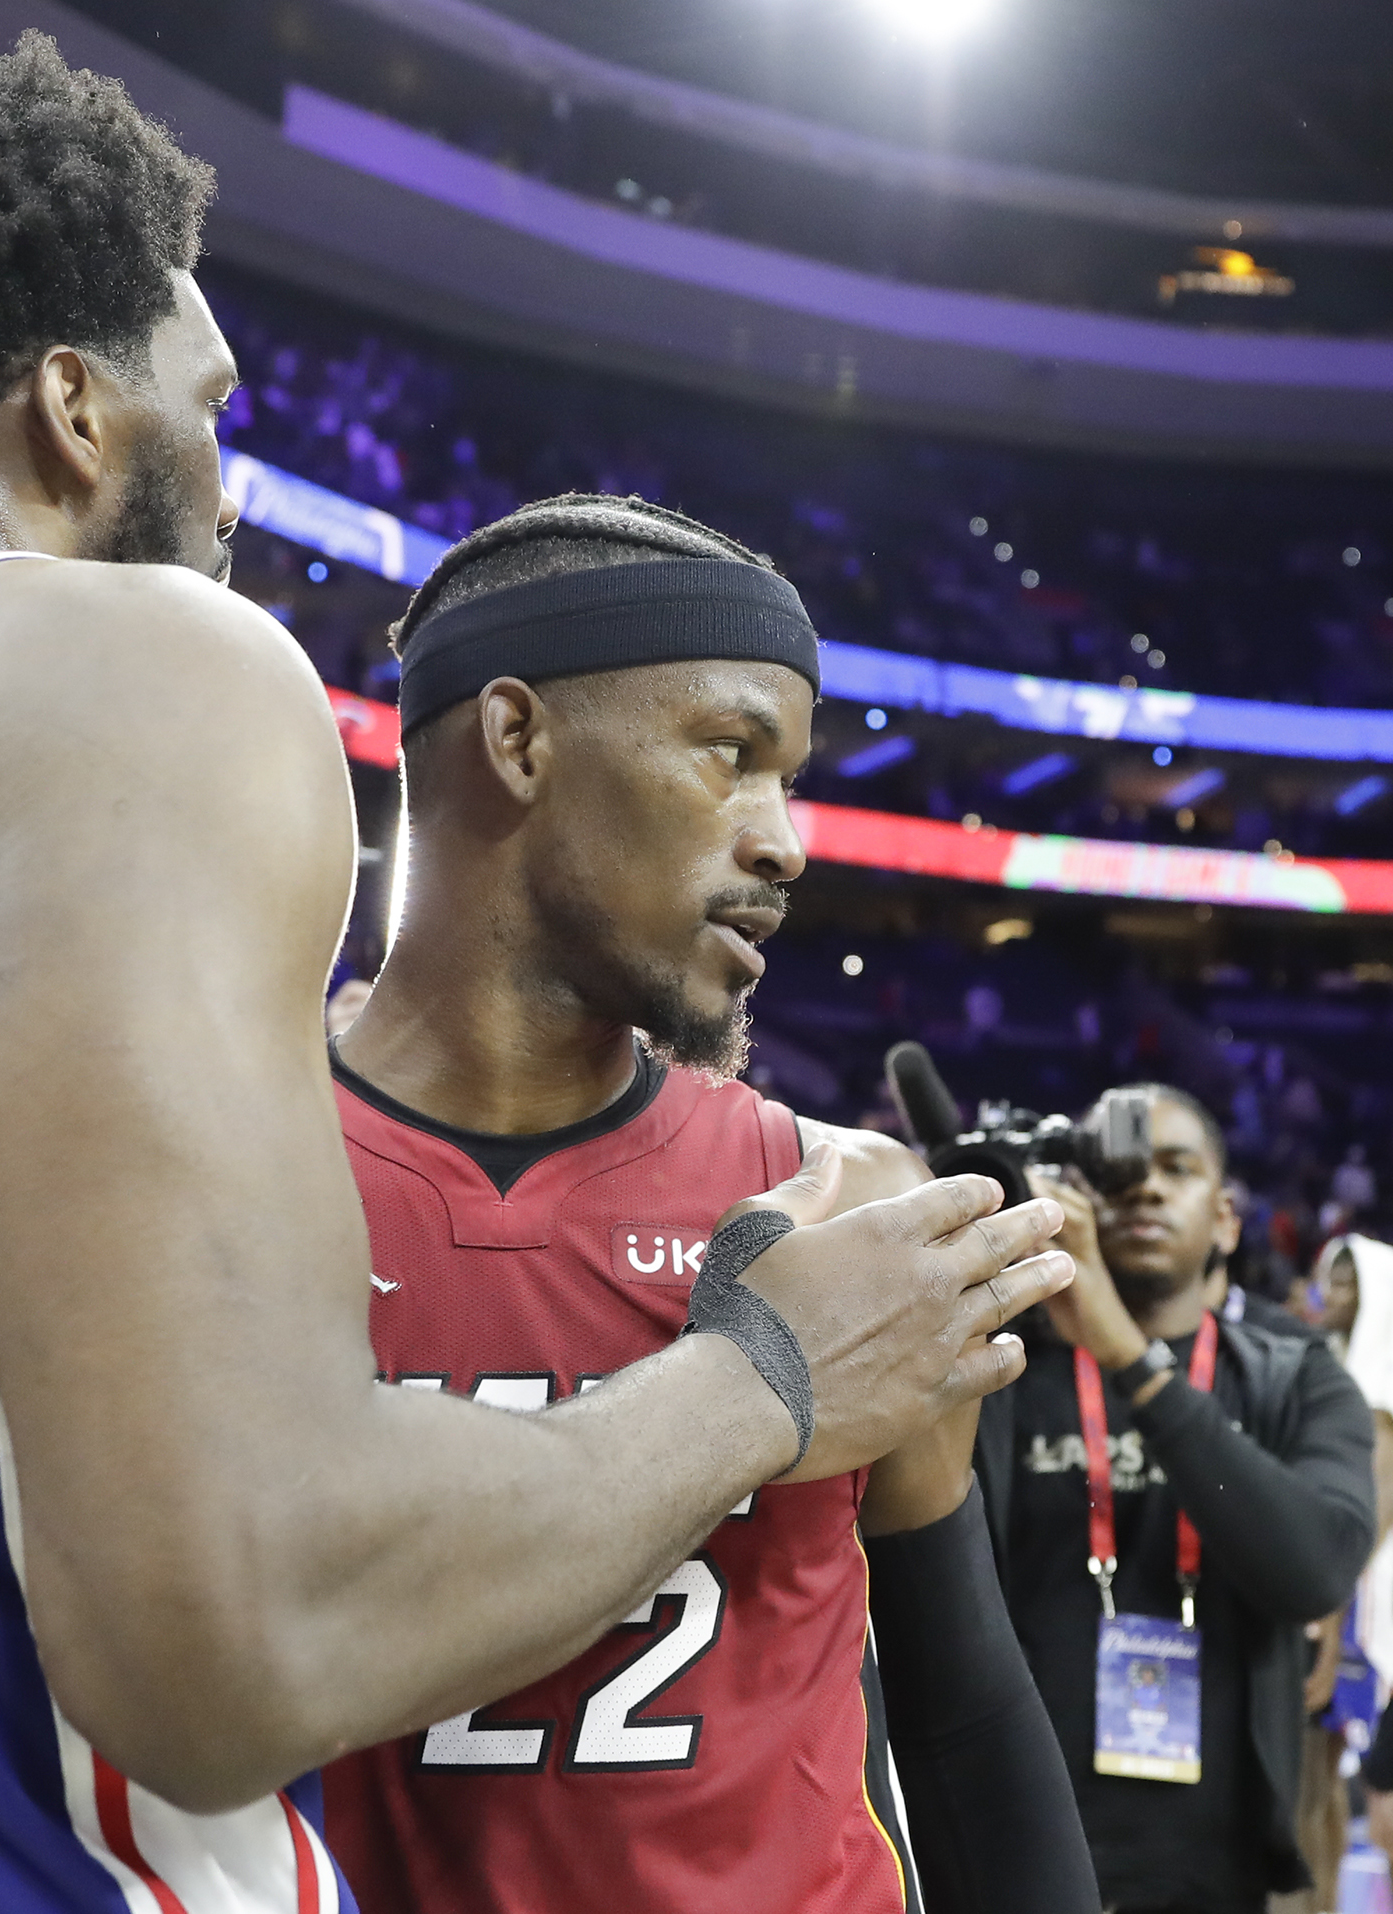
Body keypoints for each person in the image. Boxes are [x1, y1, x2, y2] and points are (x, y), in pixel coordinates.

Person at [0, 37, 1066, 1907]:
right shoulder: (126, 661)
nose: (229, 490)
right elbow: (229, 1647)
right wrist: (768, 1370)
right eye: (211, 405)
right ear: (77, 408)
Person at [313, 494, 1092, 1913]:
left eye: (787, 780)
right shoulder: (218, 1174)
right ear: (519, 739)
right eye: (731, 757)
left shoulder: (843, 1193)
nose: (786, 840)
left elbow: (965, 1710)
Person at [977, 1089, 1376, 1914]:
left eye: (1176, 1169)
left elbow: (1316, 1569)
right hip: (1011, 1849)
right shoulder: (994, 1367)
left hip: (1216, 1863)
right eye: (1119, 1169)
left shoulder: (1295, 1374)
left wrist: (1126, 1353)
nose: (1146, 1189)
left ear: (1226, 1219)